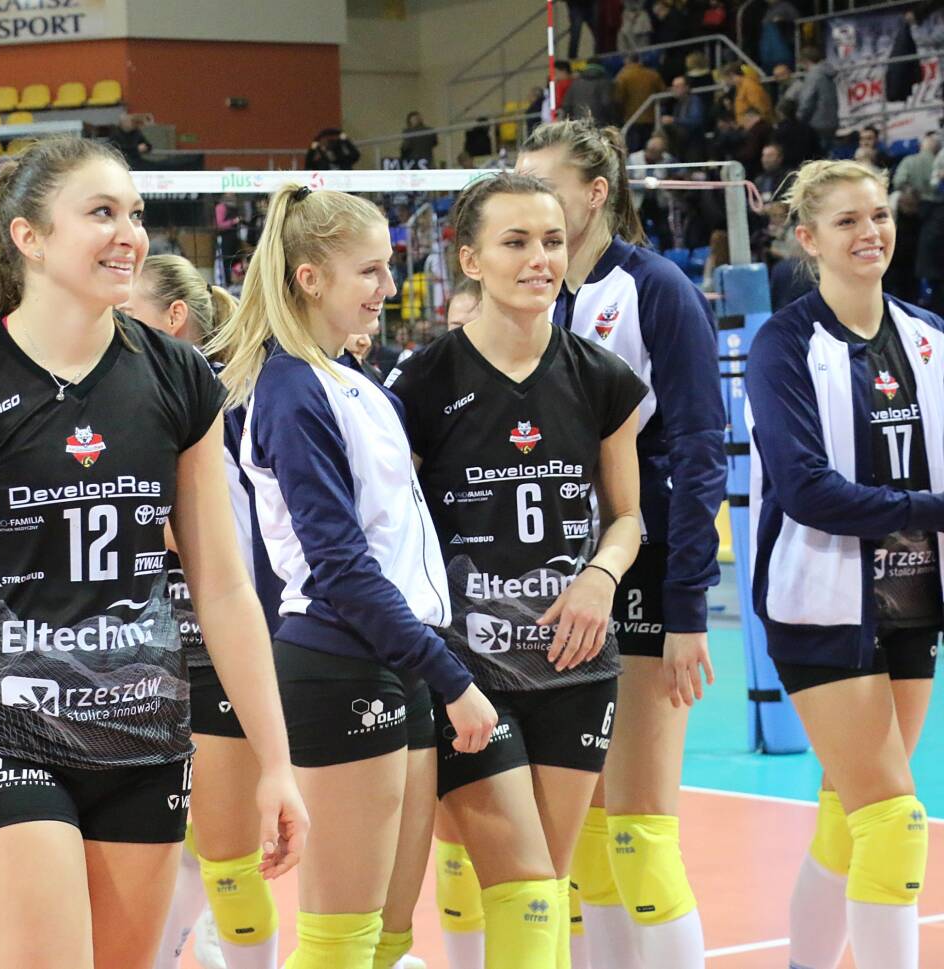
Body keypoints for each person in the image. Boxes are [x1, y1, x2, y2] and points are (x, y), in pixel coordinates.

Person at [0, 137, 308, 969]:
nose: (129, 233)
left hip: (142, 735)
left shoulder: (177, 378)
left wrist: (276, 762)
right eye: (101, 213)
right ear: (30, 237)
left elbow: (223, 587)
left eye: (134, 213)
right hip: (3, 728)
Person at [209, 183, 497, 969]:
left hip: (397, 656)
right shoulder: (290, 389)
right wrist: (453, 677)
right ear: (310, 278)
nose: (389, 287)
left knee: (388, 937)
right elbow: (339, 566)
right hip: (339, 660)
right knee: (340, 941)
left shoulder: (352, 380)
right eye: (370, 270)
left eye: (389, 266)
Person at [386, 171, 647, 969]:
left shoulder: (600, 376)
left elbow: (627, 517)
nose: (541, 258)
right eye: (516, 241)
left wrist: (601, 576)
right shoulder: (422, 384)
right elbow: (395, 531)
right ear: (470, 260)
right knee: (527, 889)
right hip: (469, 672)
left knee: (544, 890)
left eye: (553, 241)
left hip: (575, 665)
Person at [518, 119, 727, 969]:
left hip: (643, 574)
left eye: (546, 185)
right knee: (588, 835)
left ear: (596, 192)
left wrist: (687, 608)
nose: (531, 201)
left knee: (640, 829)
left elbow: (701, 448)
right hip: (558, 581)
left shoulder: (654, 290)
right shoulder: (532, 298)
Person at [746, 159, 936, 969]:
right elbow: (808, 489)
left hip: (913, 599)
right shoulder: (784, 344)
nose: (871, 233)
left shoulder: (928, 338)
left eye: (879, 215)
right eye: (848, 220)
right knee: (894, 820)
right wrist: (933, 511)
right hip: (821, 602)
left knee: (849, 816)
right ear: (809, 238)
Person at [119, 255, 283, 969]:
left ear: (173, 318)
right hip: (138, 659)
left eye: (128, 313)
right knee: (171, 850)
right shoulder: (120, 402)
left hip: (213, 650)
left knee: (227, 860)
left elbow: (221, 542)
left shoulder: (223, 404)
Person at [797, 47, 842, 154]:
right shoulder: (827, 74)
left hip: (817, 124)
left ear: (805, 61)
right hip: (832, 122)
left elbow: (807, 101)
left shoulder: (813, 75)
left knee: (818, 157)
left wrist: (799, 119)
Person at [893, 132, 940, 204]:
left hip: (914, 205)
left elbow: (898, 182)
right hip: (939, 205)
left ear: (920, 146)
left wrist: (913, 192)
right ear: (938, 149)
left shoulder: (908, 160)